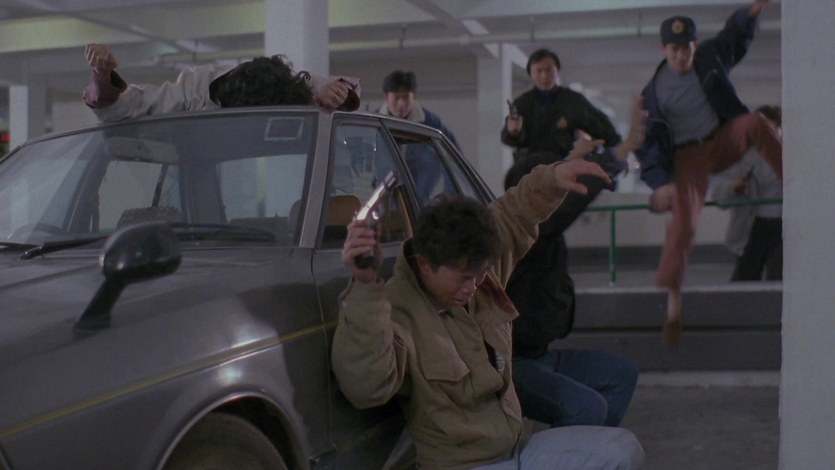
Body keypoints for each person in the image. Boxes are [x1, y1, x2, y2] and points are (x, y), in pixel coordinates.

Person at [332, 138, 645, 469]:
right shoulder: (398, 310)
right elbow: (367, 386)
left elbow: (513, 214)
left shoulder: (475, 273)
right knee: (613, 456)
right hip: (467, 465)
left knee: (623, 445)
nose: (473, 287)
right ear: (425, 264)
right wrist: (365, 285)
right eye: (463, 278)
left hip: (512, 449)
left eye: (480, 274)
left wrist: (553, 178)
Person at [634, 0, 782, 346]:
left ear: (695, 45)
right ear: (664, 48)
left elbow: (734, 37)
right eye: (675, 50)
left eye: (687, 48)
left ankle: (792, 179)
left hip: (721, 140)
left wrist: (752, 12)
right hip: (688, 159)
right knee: (683, 225)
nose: (682, 56)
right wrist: (661, 183)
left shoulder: (709, 57)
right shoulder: (651, 95)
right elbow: (648, 148)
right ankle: (673, 302)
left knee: (756, 122)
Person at [504, 152, 639, 429]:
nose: (561, 198)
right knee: (587, 408)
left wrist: (586, 157)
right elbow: (563, 213)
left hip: (542, 355)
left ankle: (587, 448)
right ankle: (565, 451)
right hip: (512, 364)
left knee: (622, 373)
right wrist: (609, 164)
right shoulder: (523, 233)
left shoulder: (548, 235)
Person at [83, 43, 361, 120]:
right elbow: (132, 105)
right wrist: (102, 76)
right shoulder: (193, 94)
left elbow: (341, 91)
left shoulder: (283, 91)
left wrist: (333, 92)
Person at [711, 105, 783, 281]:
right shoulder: (739, 156)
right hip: (752, 227)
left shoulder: (789, 155)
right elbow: (719, 198)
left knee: (780, 279)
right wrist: (733, 188)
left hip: (783, 225)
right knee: (745, 278)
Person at [378, 70, 459, 202]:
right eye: (396, 98)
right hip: (384, 194)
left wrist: (450, 194)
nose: (401, 104)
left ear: (414, 96)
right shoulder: (375, 123)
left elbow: (452, 157)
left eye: (406, 97)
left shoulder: (430, 122)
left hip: (419, 194)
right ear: (386, 97)